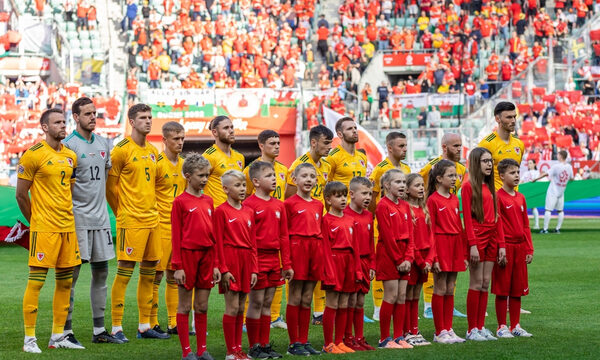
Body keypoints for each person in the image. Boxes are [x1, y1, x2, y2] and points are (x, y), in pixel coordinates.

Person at [16, 109, 82, 353]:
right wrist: (36, 222)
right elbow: (21, 195)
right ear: (44, 127)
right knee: (36, 283)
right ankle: (29, 340)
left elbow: (69, 192)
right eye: (57, 122)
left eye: (64, 122)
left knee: (65, 283)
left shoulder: (71, 156)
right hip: (44, 229)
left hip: (67, 227)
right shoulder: (33, 155)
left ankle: (58, 336)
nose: (62, 126)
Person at [107, 103, 168, 341]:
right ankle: (116, 327)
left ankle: (144, 326)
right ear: (131, 122)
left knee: (149, 273)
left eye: (150, 117)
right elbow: (110, 186)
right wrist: (120, 212)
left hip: (153, 220)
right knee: (124, 273)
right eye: (143, 117)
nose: (148, 121)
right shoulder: (121, 149)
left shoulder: (153, 151)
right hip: (130, 221)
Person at [62, 97, 121, 345]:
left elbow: (105, 181)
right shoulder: (67, 146)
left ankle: (99, 331)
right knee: (71, 275)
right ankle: (64, 331)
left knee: (102, 272)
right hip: (78, 219)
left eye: (94, 113)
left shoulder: (103, 143)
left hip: (100, 219)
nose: (92, 117)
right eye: (87, 114)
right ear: (75, 117)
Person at [171, 154, 219, 360]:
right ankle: (186, 351)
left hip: (207, 257)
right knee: (184, 306)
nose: (205, 179)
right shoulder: (180, 202)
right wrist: (178, 265)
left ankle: (201, 349)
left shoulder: (209, 200)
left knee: (202, 305)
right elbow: (176, 235)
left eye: (207, 175)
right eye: (201, 175)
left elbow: (214, 235)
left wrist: (216, 264)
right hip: (187, 257)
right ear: (188, 176)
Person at [244, 161, 294, 359]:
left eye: (274, 175)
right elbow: (249, 239)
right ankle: (253, 346)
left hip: (274, 260)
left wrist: (286, 264)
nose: (274, 179)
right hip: (258, 259)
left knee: (267, 303)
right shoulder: (249, 204)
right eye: (269, 176)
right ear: (255, 181)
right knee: (256, 303)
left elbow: (284, 236)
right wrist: (253, 266)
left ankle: (264, 345)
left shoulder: (278, 205)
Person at [243, 130, 289, 329]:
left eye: (279, 142)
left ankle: (275, 317)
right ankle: (248, 320)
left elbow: (286, 195)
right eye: (272, 143)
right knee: (256, 290)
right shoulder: (250, 170)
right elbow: (243, 195)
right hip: (258, 232)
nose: (277, 146)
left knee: (273, 286)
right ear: (261, 145)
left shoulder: (284, 170)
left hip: (275, 220)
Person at [418, 133, 467, 319]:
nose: (459, 149)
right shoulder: (431, 167)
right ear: (444, 147)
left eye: (460, 145)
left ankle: (448, 316)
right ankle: (429, 306)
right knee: (438, 277)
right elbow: (417, 185)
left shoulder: (461, 170)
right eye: (455, 145)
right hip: (437, 230)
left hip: (453, 232)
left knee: (450, 282)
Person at [462, 147, 507, 341]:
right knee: (476, 282)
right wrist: (471, 244)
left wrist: (501, 245)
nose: (489, 164)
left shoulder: (491, 188)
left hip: (492, 238)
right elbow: (468, 220)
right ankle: (472, 329)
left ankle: (480, 326)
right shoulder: (467, 187)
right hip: (478, 237)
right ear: (475, 163)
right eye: (485, 161)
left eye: (490, 161)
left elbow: (497, 219)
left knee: (485, 283)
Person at [214, 170, 258, 360]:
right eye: (237, 186)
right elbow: (217, 242)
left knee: (241, 307)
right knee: (232, 307)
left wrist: (254, 268)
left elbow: (253, 242)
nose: (242, 189)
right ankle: (230, 352)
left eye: (243, 185)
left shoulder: (249, 211)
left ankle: (239, 348)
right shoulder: (220, 211)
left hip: (246, 261)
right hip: (230, 261)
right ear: (225, 188)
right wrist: (223, 269)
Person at [368, 132, 410, 321]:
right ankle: (378, 306)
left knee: (402, 293)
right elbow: (372, 200)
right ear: (390, 148)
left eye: (405, 145)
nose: (405, 149)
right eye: (401, 146)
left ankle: (400, 331)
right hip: (384, 226)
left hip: (403, 222)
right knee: (385, 276)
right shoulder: (379, 170)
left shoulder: (406, 169)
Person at [284, 163, 325, 356]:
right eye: (304, 176)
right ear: (295, 179)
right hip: (297, 249)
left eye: (312, 176)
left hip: (314, 250)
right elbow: (284, 234)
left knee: (307, 297)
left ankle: (304, 340)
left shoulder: (319, 204)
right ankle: (294, 343)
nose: (309, 180)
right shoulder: (289, 204)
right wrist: (288, 261)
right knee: (295, 296)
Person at [425, 161, 467, 344]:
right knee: (440, 287)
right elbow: (430, 230)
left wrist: (463, 252)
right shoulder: (433, 200)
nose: (455, 179)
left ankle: (449, 329)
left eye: (456, 175)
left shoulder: (454, 198)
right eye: (450, 175)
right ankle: (439, 331)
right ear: (439, 178)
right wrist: (433, 256)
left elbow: (459, 226)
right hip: (440, 245)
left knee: (450, 288)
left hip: (455, 245)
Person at [152, 122, 187, 335]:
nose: (180, 142)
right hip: (159, 227)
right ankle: (150, 323)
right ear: (164, 140)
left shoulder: (184, 165)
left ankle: (174, 323)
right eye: (176, 139)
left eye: (182, 138)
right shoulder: (156, 162)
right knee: (154, 277)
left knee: (174, 276)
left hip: (179, 229)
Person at [494, 159, 534, 338]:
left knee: (518, 289)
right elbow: (498, 225)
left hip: (520, 248)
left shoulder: (521, 197)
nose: (516, 176)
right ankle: (501, 326)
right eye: (512, 173)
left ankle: (515, 325)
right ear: (502, 176)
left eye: (518, 172)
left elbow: (526, 225)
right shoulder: (498, 197)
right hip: (506, 248)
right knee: (503, 288)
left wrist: (529, 248)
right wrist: (500, 247)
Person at [320, 182, 362, 354]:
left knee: (344, 302)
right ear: (329, 200)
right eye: (338, 196)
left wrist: (358, 269)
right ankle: (328, 343)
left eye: (345, 195)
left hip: (349, 262)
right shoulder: (326, 220)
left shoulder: (350, 220)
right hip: (334, 262)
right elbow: (325, 248)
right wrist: (329, 271)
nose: (343, 199)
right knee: (332, 302)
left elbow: (356, 247)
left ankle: (340, 341)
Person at [375, 169, 414, 349]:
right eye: (397, 182)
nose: (402, 185)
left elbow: (411, 235)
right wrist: (399, 260)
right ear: (387, 185)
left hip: (404, 256)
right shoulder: (383, 206)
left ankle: (399, 336)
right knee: (391, 295)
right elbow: (388, 236)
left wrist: (408, 257)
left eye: (404, 182)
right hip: (389, 256)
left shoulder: (405, 206)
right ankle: (384, 338)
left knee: (401, 296)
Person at [342, 177, 376, 351]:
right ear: (352, 194)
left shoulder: (369, 215)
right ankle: (347, 338)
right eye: (364, 193)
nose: (368, 197)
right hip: (350, 263)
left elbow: (370, 242)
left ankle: (359, 337)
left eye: (370, 193)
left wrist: (372, 264)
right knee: (350, 300)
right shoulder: (345, 215)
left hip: (364, 262)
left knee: (360, 301)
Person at [403, 174, 433, 346]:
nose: (422, 188)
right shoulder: (407, 209)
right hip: (414, 259)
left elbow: (431, 237)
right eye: (417, 185)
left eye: (422, 185)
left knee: (416, 295)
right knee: (408, 294)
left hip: (424, 260)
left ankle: (414, 328)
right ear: (407, 190)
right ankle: (406, 330)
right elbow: (410, 239)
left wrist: (429, 260)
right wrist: (421, 261)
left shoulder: (424, 209)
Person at [478, 101, 524, 192]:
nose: (513, 121)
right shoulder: (486, 144)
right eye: (509, 117)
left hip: (513, 199)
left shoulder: (519, 144)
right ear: (497, 119)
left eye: (514, 117)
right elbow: (476, 175)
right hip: (494, 199)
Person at [203, 116, 245, 207]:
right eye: (226, 128)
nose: (231, 131)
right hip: (217, 214)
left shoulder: (239, 157)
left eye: (232, 127)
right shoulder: (208, 156)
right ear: (215, 132)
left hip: (236, 212)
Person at [533, 150, 574, 234]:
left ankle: (545, 229)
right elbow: (572, 178)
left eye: (558, 155)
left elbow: (546, 174)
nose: (557, 156)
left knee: (548, 210)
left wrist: (536, 179)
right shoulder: (569, 167)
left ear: (561, 156)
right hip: (561, 191)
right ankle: (558, 229)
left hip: (553, 190)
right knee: (560, 210)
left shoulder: (556, 166)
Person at [520, 159, 540, 230]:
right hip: (525, 192)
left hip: (532, 192)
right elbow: (521, 181)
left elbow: (537, 182)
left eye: (530, 163)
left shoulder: (537, 172)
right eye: (528, 163)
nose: (529, 165)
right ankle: (523, 225)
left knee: (533, 207)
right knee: (522, 209)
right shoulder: (525, 173)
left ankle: (537, 224)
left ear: (534, 164)